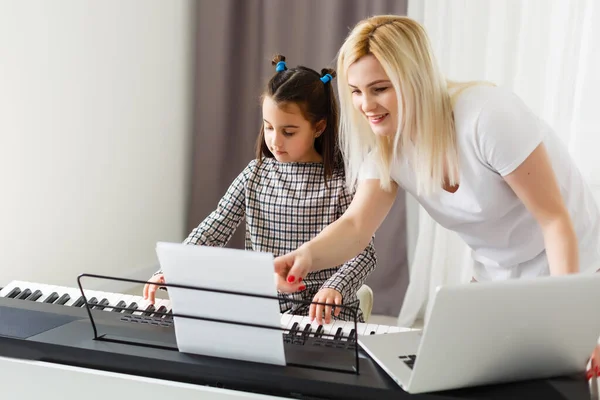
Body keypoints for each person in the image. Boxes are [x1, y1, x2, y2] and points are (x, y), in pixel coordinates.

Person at [272, 16, 600, 376]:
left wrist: (569, 325)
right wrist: (304, 257)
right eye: (355, 90)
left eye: (380, 88)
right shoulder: (387, 147)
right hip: (498, 279)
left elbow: (554, 221)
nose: (365, 105)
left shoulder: (488, 117)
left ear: (414, 78)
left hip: (579, 270)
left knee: (559, 378)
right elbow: (355, 227)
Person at [143, 55, 377, 325]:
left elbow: (364, 251)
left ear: (319, 127)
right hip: (263, 310)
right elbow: (214, 227)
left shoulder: (342, 182)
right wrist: (173, 269)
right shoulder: (254, 174)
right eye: (268, 127)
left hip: (324, 313)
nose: (275, 141)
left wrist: (335, 287)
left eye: (289, 132)